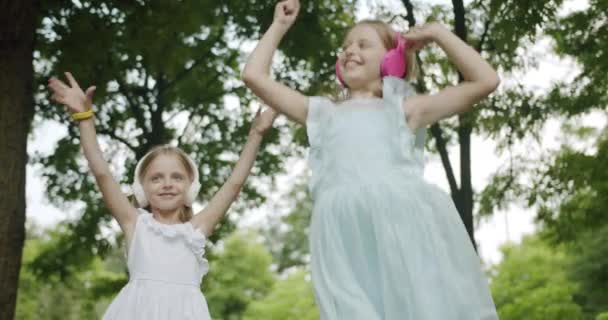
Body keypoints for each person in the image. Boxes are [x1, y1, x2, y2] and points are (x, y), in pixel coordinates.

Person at [241, 0, 501, 319]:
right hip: (341, 234)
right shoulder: (322, 113)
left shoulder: (405, 109)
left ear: (392, 59)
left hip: (400, 226)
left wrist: (437, 33)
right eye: (345, 46)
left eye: (363, 44)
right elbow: (254, 75)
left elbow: (485, 81)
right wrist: (279, 26)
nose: (349, 50)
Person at [48, 72, 278, 319]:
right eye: (156, 178)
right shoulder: (134, 223)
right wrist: (85, 118)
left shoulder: (196, 229)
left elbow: (234, 184)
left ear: (191, 187)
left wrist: (256, 135)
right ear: (141, 189)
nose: (166, 184)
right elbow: (102, 172)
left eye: (176, 177)